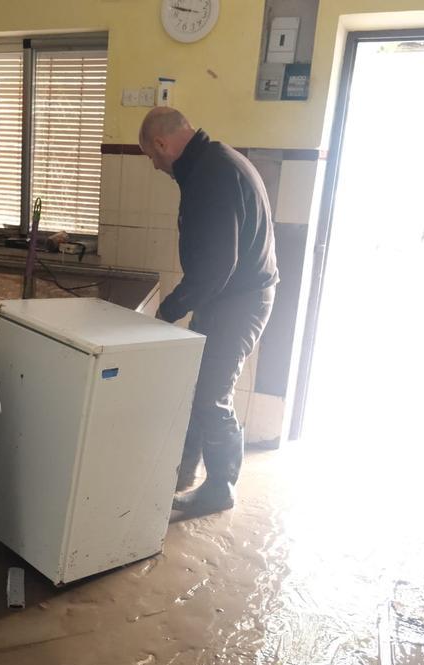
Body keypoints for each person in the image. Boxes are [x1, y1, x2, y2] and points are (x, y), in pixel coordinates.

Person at [140, 107, 278, 518]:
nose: (156, 165)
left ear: (163, 143)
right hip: (228, 296)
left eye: (153, 155)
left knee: (210, 394)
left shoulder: (210, 174)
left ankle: (220, 488)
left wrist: (169, 310)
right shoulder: (215, 160)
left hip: (237, 300)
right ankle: (184, 472)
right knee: (199, 385)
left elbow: (218, 264)